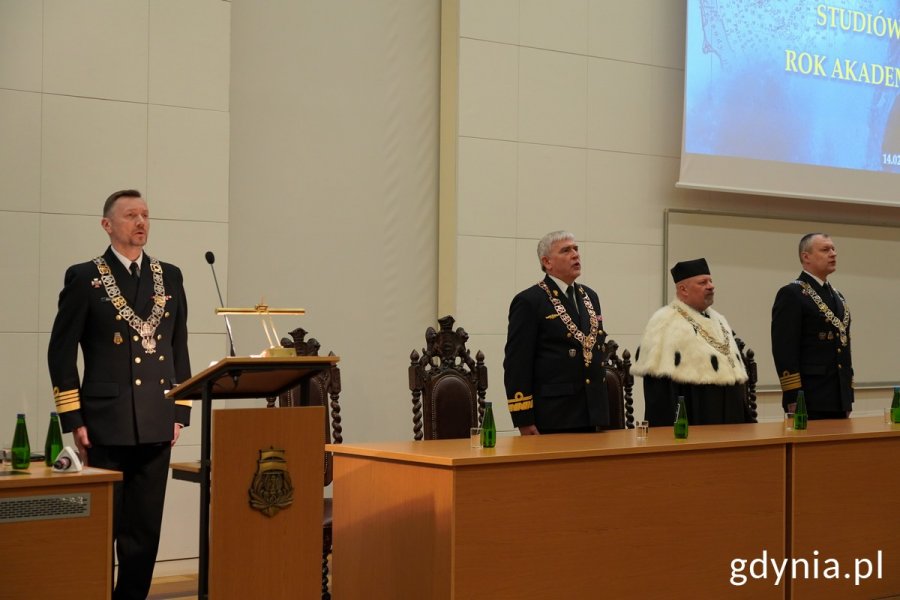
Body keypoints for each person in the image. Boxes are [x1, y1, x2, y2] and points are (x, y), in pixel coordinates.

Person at [48, 189, 192, 600]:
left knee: (144, 531)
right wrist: (73, 419)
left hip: (155, 418)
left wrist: (179, 410)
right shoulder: (84, 277)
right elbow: (61, 354)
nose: (141, 222)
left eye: (145, 214)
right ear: (107, 225)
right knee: (103, 527)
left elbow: (177, 346)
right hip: (103, 421)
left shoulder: (171, 275)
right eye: (131, 215)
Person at [504, 231, 609, 434]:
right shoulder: (530, 301)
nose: (575, 255)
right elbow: (517, 363)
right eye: (566, 250)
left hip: (593, 412)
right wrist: (523, 418)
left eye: (576, 249)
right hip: (555, 414)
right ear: (547, 262)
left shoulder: (590, 296)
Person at [632, 258, 749, 426]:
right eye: (703, 282)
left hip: (731, 417)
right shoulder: (664, 322)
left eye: (711, 280)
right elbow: (660, 394)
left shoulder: (719, 320)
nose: (711, 286)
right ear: (683, 289)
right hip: (695, 419)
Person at [771, 233, 853, 419]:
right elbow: (784, 349)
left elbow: (844, 346)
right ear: (805, 257)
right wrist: (793, 395)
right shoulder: (792, 294)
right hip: (810, 396)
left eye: (833, 249)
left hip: (838, 395)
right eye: (825, 250)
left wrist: (848, 393)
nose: (833, 253)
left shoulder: (838, 296)